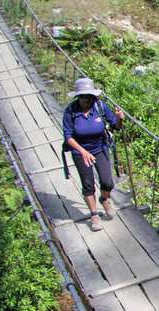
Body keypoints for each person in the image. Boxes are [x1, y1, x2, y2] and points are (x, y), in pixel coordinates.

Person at [62, 77, 124, 232]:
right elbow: (68, 136)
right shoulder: (71, 112)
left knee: (108, 182)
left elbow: (116, 126)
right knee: (88, 184)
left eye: (89, 96)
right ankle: (94, 215)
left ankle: (104, 199)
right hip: (80, 150)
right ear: (78, 97)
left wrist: (120, 119)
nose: (86, 100)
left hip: (100, 147)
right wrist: (83, 152)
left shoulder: (100, 106)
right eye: (83, 96)